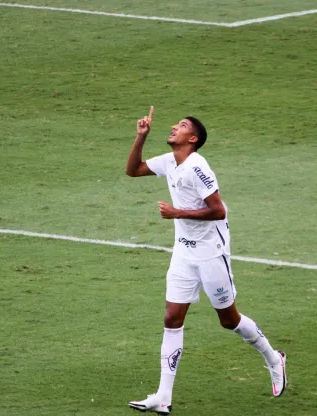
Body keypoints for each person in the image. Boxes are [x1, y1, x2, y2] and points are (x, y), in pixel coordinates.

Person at [125, 106, 287, 414]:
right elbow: (133, 170)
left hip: (211, 254)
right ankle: (163, 396)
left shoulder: (198, 167)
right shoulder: (170, 161)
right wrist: (140, 137)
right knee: (172, 318)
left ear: (193, 138)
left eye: (182, 125)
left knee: (229, 320)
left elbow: (218, 210)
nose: (174, 126)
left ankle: (273, 358)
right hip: (184, 252)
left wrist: (177, 213)